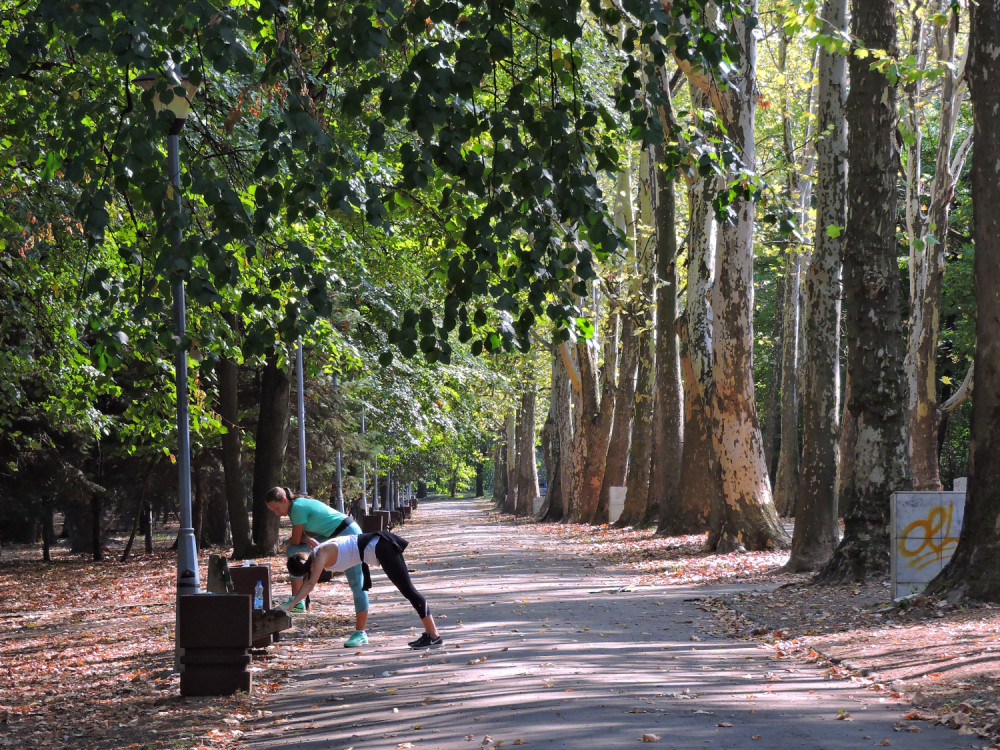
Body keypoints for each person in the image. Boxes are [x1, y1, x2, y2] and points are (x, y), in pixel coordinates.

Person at [274, 531, 443, 650]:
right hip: (380, 546)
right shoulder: (316, 555)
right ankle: (430, 634)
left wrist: (290, 605)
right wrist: (291, 604)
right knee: (409, 591)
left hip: (382, 546)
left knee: (409, 591)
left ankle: (434, 636)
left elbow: (310, 584)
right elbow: (309, 582)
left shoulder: (320, 554)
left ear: (304, 571)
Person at [265, 486, 369, 648]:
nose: (277, 513)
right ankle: (297, 601)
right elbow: (305, 536)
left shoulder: (297, 508)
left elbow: (295, 539)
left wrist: (286, 541)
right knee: (293, 550)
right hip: (332, 536)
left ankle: (361, 633)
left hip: (349, 533)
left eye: (277, 509)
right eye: (273, 511)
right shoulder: (294, 507)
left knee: (357, 583)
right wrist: (305, 540)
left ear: (284, 500)